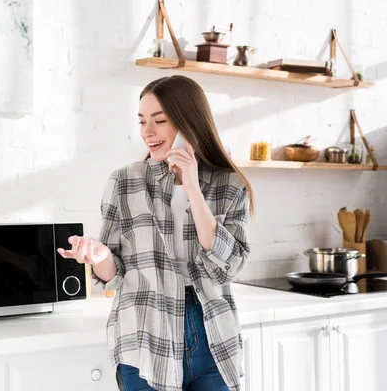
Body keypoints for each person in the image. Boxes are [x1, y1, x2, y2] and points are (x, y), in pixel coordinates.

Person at [57, 75, 254, 391]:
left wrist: (191, 186)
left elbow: (227, 268)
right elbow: (114, 275)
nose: (147, 132)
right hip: (143, 333)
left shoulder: (228, 185)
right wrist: (100, 256)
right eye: (142, 121)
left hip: (211, 336)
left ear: (189, 122)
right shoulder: (124, 181)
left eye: (159, 121)